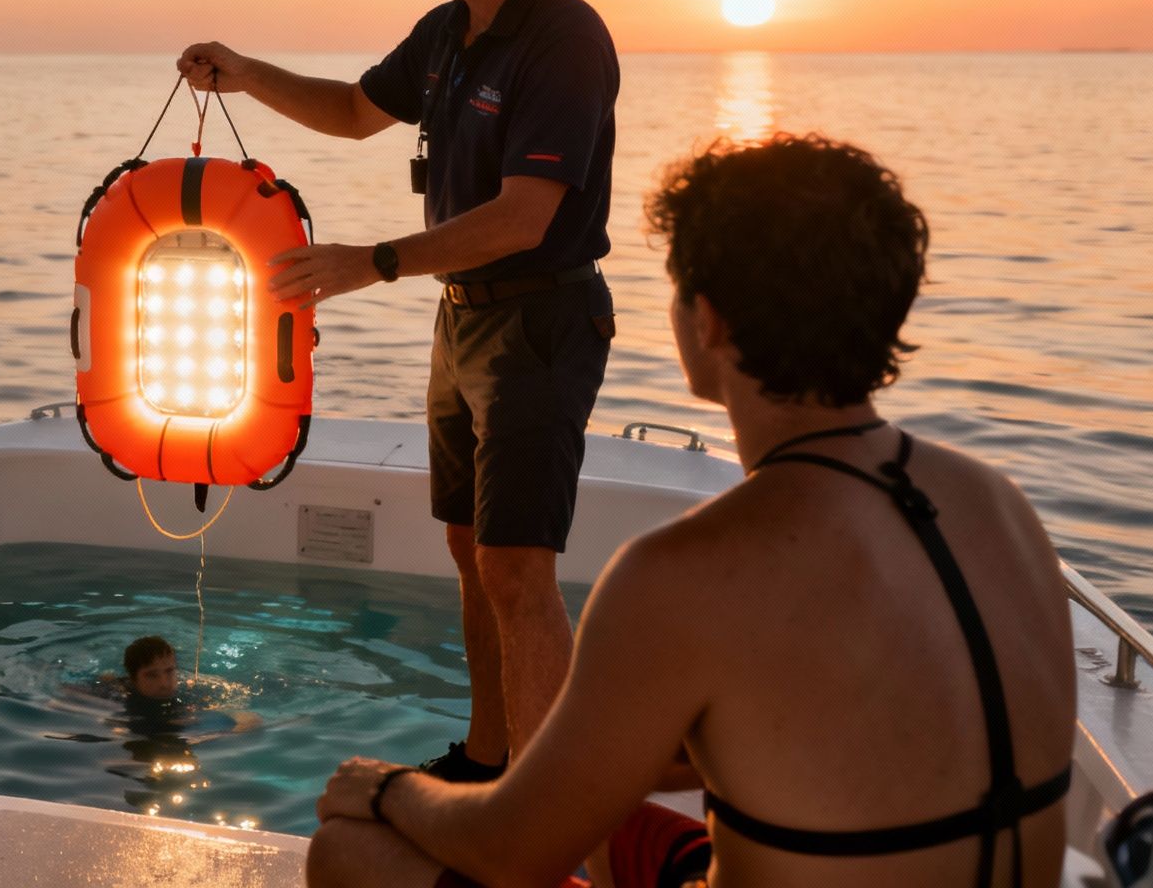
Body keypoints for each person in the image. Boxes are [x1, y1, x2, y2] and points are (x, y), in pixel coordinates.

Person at [308, 134, 1076, 887]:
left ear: (707, 321)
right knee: (616, 816)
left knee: (350, 847)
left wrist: (383, 787)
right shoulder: (997, 503)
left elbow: (513, 853)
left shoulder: (682, 570)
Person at [178, 0, 618, 782]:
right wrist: (248, 72)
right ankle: (488, 761)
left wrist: (369, 263)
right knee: (469, 552)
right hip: (459, 324)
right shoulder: (445, 33)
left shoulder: (564, 39)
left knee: (517, 570)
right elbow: (349, 110)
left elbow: (522, 216)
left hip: (540, 323)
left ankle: (550, 801)